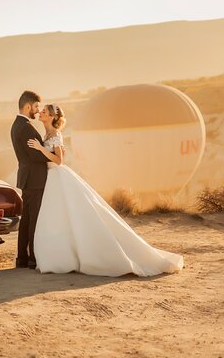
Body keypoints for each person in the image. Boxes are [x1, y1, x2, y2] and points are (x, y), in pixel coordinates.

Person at [27, 104, 184, 276]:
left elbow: (59, 161)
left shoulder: (56, 135)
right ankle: (62, 255)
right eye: (41, 111)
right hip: (51, 179)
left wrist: (40, 149)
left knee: (68, 215)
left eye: (44, 112)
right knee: (58, 217)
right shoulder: (46, 134)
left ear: (51, 117)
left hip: (58, 176)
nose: (40, 113)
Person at [10, 91, 50, 268]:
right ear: (27, 106)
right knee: (34, 219)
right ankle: (33, 258)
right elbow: (36, 156)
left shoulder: (16, 125)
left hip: (27, 178)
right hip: (35, 179)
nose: (37, 110)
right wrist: (53, 155)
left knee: (26, 219)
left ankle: (22, 258)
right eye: (35, 107)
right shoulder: (26, 127)